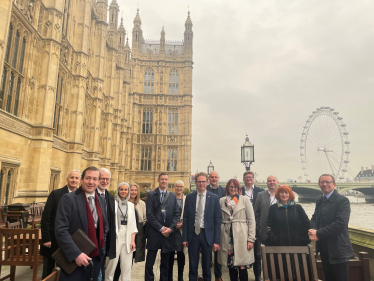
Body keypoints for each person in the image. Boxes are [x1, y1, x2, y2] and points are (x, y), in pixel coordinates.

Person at [55, 166, 108, 281]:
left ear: (98, 182)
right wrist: (76, 254)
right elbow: (61, 230)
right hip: (75, 259)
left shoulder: (101, 199)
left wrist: (102, 249)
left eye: (94, 179)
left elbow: (104, 226)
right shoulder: (68, 199)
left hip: (96, 257)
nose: (91, 182)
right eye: (88, 178)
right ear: (82, 179)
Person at [309, 174, 355, 281]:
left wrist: (318, 233)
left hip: (339, 249)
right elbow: (315, 218)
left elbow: (340, 224)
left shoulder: (343, 201)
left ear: (334, 184)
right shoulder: (319, 200)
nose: (325, 184)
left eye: (328, 182)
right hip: (324, 249)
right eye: (322, 182)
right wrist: (313, 230)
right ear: (319, 184)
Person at [41, 169, 81, 279]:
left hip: (70, 240)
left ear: (80, 180)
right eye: (72, 177)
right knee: (48, 271)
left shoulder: (80, 196)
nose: (74, 180)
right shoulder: (56, 194)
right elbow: (46, 218)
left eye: (76, 178)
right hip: (52, 240)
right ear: (67, 179)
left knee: (65, 269)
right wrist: (46, 238)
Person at [182, 172, 221, 281]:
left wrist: (216, 241)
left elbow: (217, 220)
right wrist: (184, 238)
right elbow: (185, 218)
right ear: (196, 182)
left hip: (207, 236)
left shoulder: (214, 198)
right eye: (199, 181)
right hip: (193, 235)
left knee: (207, 267)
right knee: (193, 266)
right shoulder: (189, 197)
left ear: (207, 182)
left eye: (203, 181)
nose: (201, 184)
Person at [218, 179, 255, 281]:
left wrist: (251, 239)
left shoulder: (245, 200)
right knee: (231, 265)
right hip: (227, 237)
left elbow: (252, 220)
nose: (233, 189)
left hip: (241, 236)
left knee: (242, 266)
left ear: (239, 189)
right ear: (227, 188)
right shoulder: (222, 201)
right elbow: (218, 219)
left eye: (235, 187)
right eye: (231, 187)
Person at [145, 173, 180, 281]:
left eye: (166, 179)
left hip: (168, 234)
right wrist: (161, 228)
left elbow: (176, 214)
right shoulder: (151, 195)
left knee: (165, 264)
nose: (164, 181)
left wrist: (171, 228)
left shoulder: (172, 196)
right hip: (155, 233)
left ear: (168, 181)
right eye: (162, 179)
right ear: (158, 180)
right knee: (149, 263)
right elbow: (149, 215)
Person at [105, 182, 138, 281]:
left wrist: (133, 241)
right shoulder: (112, 203)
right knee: (111, 267)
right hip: (115, 236)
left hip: (127, 236)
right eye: (121, 189)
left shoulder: (131, 205)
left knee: (127, 268)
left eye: (125, 190)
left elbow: (133, 225)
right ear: (118, 190)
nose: (123, 192)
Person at [241, 171, 264, 281]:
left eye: (250, 177)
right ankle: (243, 276)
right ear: (243, 179)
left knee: (257, 253)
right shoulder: (239, 191)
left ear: (254, 179)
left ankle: (258, 276)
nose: (249, 179)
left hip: (256, 226)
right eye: (246, 177)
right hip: (242, 226)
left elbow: (262, 209)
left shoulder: (260, 191)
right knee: (242, 251)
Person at [96, 168, 116, 281]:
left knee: (102, 266)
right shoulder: (91, 195)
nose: (104, 181)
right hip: (94, 238)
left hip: (105, 238)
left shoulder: (109, 196)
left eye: (107, 179)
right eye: (102, 178)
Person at [206, 171, 225, 281]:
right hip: (207, 224)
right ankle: (207, 273)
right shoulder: (205, 189)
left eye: (215, 177)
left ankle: (218, 275)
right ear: (209, 178)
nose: (214, 179)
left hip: (219, 223)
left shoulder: (223, 190)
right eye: (212, 177)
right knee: (206, 251)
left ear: (218, 178)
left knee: (218, 250)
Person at [168, 180, 187, 281]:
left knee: (181, 254)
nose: (179, 188)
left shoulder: (186, 199)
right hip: (172, 229)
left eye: (181, 186)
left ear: (183, 188)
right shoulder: (170, 198)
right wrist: (173, 224)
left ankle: (180, 276)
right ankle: (169, 277)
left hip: (181, 231)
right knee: (170, 254)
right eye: (177, 186)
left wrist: (182, 223)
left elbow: (189, 214)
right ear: (174, 187)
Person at [254, 175, 279, 244]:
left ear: (277, 182)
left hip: (280, 231)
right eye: (269, 181)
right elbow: (256, 212)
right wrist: (259, 226)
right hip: (264, 232)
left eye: (274, 180)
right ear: (267, 183)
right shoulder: (260, 195)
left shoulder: (282, 195)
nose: (272, 182)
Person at [128, 182, 147, 263]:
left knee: (133, 256)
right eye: (131, 190)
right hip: (127, 232)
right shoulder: (124, 202)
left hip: (138, 233)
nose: (133, 192)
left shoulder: (141, 203)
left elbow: (145, 218)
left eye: (135, 190)